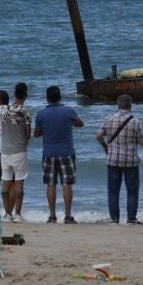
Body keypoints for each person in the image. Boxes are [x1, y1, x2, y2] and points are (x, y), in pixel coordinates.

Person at [33, 85, 84, 224]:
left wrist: (47, 129)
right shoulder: (68, 111)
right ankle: (68, 216)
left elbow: (36, 134)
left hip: (49, 153)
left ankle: (52, 216)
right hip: (66, 152)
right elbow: (80, 124)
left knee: (51, 184)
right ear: (60, 97)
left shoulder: (41, 114)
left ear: (47, 98)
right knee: (67, 184)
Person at [96, 94, 143, 224]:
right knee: (132, 191)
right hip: (130, 160)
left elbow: (98, 135)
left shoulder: (109, 119)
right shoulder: (135, 121)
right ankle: (131, 219)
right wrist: (134, 139)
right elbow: (142, 142)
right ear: (130, 105)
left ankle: (114, 219)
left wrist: (105, 147)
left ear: (118, 105)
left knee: (113, 191)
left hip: (113, 159)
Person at [0, 82, 32, 222]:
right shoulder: (25, 111)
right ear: (25, 95)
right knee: (19, 183)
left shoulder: (3, 110)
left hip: (5, 152)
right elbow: (28, 133)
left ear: (14, 93)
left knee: (6, 183)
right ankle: (18, 214)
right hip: (19, 151)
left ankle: (7, 214)